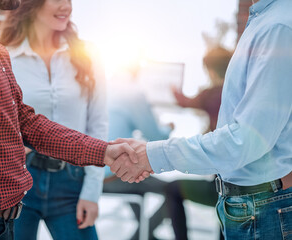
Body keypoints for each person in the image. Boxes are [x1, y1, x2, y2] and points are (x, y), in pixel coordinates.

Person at [110, 0, 292, 239]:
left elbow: (245, 141)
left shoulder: (276, 28)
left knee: (169, 189)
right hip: (247, 199)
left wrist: (153, 154)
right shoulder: (265, 22)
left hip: (260, 203)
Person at [0, 1, 140, 239]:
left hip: (59, 183)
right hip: (4, 200)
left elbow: (26, 121)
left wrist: (104, 152)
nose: (66, 6)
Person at [0, 0, 106, 239]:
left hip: (72, 181)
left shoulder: (86, 55)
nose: (66, 6)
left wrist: (92, 192)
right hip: (21, 180)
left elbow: (97, 124)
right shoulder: (5, 53)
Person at [167, 46, 232, 240]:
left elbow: (184, 101)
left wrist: (170, 86)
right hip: (245, 185)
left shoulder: (210, 94)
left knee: (172, 189)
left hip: (221, 185)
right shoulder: (240, 92)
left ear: (210, 70)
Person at [103, 67, 173, 240]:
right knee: (173, 191)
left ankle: (145, 233)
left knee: (135, 178)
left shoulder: (101, 89)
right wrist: (168, 128)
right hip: (115, 176)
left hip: (88, 176)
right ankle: (142, 235)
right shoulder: (132, 93)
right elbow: (156, 135)